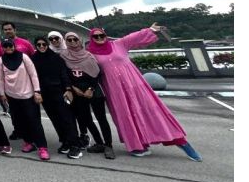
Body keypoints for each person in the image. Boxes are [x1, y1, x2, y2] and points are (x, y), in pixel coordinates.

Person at [87, 25, 202, 161]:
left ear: (106, 36)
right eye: (96, 36)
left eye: (102, 36)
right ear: (91, 38)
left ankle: (180, 141)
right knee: (126, 116)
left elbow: (134, 37)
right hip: (115, 91)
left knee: (153, 111)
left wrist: (150, 30)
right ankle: (138, 145)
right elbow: (81, 64)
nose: (99, 38)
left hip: (135, 85)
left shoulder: (119, 44)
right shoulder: (90, 53)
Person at [60, 33, 115, 159]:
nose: (73, 41)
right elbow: (64, 74)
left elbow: (97, 74)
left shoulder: (88, 55)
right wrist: (73, 88)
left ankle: (108, 146)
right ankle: (99, 143)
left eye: (75, 39)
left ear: (80, 40)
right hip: (77, 91)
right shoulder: (63, 56)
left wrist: (91, 89)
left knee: (101, 118)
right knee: (86, 119)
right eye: (69, 40)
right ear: (66, 41)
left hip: (93, 90)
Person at [0, 39, 49, 161]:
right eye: (5, 46)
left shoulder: (24, 57)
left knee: (34, 121)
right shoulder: (0, 60)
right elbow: (0, 78)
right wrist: (2, 94)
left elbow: (33, 74)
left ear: (14, 46)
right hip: (12, 95)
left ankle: (42, 147)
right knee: (20, 121)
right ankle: (29, 142)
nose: (8, 48)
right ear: (2, 48)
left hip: (28, 94)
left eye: (10, 45)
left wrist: (37, 91)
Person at [31, 37, 82, 159]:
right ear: (36, 46)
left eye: (44, 44)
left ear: (47, 45)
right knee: (55, 119)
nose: (42, 46)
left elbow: (64, 74)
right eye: (39, 44)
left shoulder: (56, 58)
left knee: (67, 118)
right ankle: (65, 141)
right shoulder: (33, 59)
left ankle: (75, 145)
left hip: (60, 92)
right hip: (44, 94)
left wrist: (68, 89)